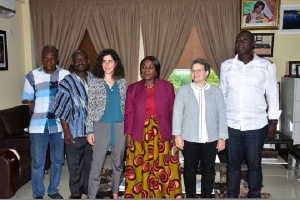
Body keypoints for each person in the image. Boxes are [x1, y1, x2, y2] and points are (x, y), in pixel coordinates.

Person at [219, 30, 281, 198]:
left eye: (245, 40)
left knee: (254, 164)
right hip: (231, 124)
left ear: (253, 44)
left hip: (256, 124)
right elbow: (222, 93)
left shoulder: (266, 66)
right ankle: (232, 195)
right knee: (232, 165)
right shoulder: (226, 66)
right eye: (238, 40)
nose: (241, 43)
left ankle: (254, 195)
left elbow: (273, 94)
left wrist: (273, 120)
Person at [124, 56, 182, 198]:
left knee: (163, 166)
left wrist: (175, 132)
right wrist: (128, 133)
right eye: (144, 67)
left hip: (162, 131)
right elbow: (129, 112)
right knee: (140, 165)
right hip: (139, 132)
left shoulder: (167, 86)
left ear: (156, 70)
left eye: (150, 67)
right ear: (140, 70)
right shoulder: (132, 88)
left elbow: (173, 110)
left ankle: (163, 194)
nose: (147, 70)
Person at [172, 58, 228, 198]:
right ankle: (190, 196)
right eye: (193, 71)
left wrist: (222, 137)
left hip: (210, 139)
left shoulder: (216, 92)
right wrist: (177, 135)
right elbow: (177, 114)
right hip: (189, 138)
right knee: (189, 170)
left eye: (199, 70)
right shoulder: (183, 91)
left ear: (207, 73)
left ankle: (206, 196)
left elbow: (222, 116)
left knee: (208, 170)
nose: (195, 73)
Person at [22, 45, 70, 199]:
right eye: (45, 58)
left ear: (58, 59)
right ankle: (37, 192)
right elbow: (30, 102)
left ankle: (53, 190)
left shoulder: (66, 75)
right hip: (38, 127)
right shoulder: (32, 76)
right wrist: (35, 118)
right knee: (38, 162)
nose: (49, 61)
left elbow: (68, 101)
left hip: (58, 126)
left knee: (57, 160)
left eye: (52, 58)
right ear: (41, 58)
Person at [52, 50, 93, 199]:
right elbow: (61, 109)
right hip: (75, 132)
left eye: (83, 59)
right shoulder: (66, 83)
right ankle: (75, 195)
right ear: (72, 63)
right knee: (75, 167)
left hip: (92, 132)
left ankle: (87, 191)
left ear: (88, 61)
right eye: (77, 60)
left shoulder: (95, 80)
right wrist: (67, 132)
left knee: (89, 165)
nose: (80, 62)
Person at [86, 49, 127, 199]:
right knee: (97, 166)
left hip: (119, 127)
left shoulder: (122, 83)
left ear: (116, 63)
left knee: (118, 163)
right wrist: (89, 130)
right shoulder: (95, 82)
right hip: (100, 127)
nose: (107, 64)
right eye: (104, 61)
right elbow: (89, 108)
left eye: (110, 61)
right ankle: (92, 196)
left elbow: (125, 106)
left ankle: (115, 193)